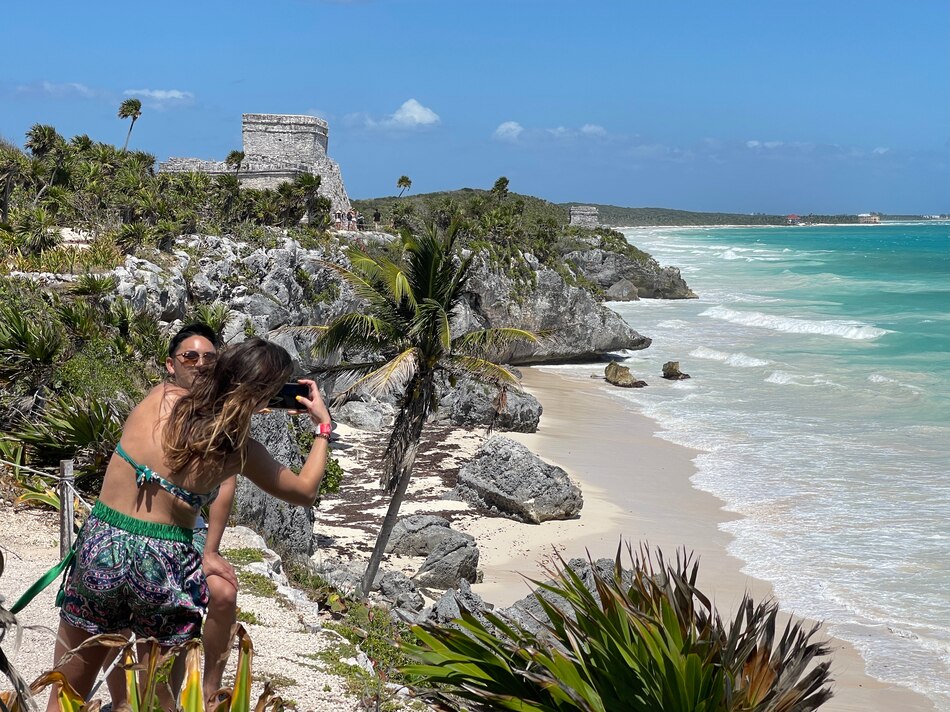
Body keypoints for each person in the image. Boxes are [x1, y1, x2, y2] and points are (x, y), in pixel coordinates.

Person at [48, 337, 332, 710]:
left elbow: (203, 400)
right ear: (263, 395)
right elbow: (305, 491)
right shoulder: (238, 449)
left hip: (102, 545)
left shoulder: (161, 396)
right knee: (157, 702)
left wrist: (240, 397)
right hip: (163, 563)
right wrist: (322, 427)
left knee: (64, 697)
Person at [104, 324, 239, 706]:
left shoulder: (222, 415)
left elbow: (226, 484)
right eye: (190, 357)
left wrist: (211, 550)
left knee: (223, 593)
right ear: (170, 364)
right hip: (132, 529)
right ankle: (123, 701)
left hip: (186, 532)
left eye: (209, 358)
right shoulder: (157, 403)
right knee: (115, 607)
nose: (199, 364)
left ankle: (208, 688)